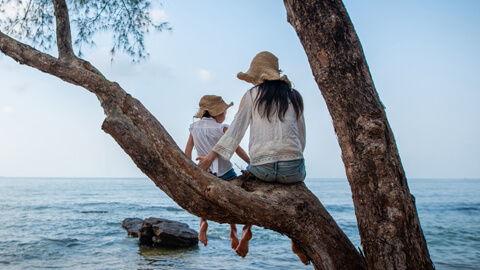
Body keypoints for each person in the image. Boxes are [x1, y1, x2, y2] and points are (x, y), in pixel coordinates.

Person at [197, 51, 309, 264]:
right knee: (297, 192)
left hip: (262, 169)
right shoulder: (295, 96)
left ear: (258, 77)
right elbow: (301, 138)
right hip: (292, 170)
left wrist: (210, 159)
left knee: (249, 189)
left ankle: (247, 231)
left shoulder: (251, 95)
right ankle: (296, 239)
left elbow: (234, 132)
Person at [184, 94, 251, 250]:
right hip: (225, 171)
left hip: (204, 171)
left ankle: (203, 223)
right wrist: (250, 162)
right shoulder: (222, 128)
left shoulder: (194, 127)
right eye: (224, 111)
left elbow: (187, 150)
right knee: (236, 197)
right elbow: (237, 149)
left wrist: (190, 168)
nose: (225, 114)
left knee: (204, 197)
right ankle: (234, 230)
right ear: (217, 113)